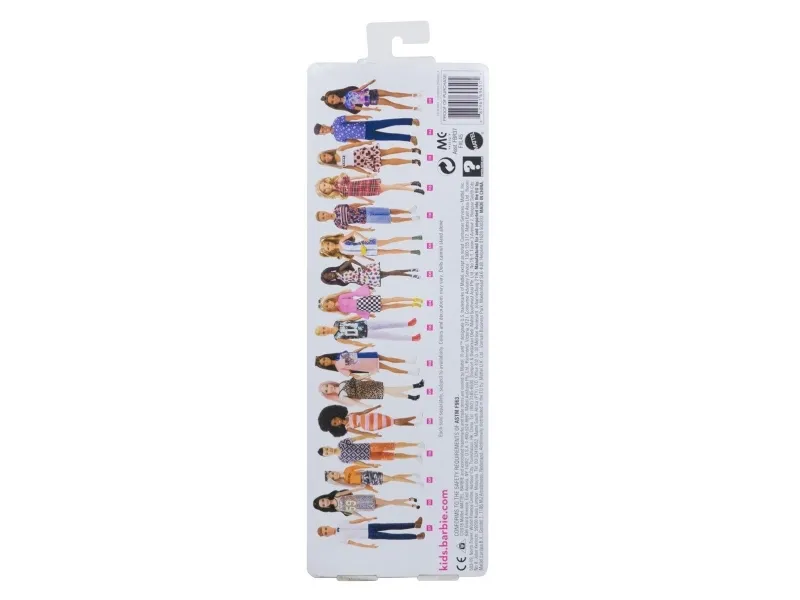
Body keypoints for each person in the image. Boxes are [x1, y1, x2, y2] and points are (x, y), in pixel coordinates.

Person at [317, 404, 416, 440]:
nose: (337, 421)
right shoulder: (348, 428)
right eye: (335, 423)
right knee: (393, 421)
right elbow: (361, 433)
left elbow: (363, 412)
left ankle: (413, 424)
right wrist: (373, 435)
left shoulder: (349, 415)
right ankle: (415, 417)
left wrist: (374, 407)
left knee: (392, 420)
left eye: (335, 419)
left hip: (371, 416)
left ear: (336, 415)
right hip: (370, 425)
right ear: (336, 427)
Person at [319, 285, 422, 318]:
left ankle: (412, 299)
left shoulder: (341, 297)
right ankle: (412, 304)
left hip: (364, 301)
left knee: (390, 300)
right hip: (365, 308)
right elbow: (356, 311)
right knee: (390, 307)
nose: (329, 305)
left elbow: (354, 294)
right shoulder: (341, 311)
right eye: (327, 307)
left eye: (327, 303)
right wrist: (367, 314)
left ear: (329, 300)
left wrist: (367, 291)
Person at [316, 517, 425, 547]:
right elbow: (355, 544)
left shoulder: (340, 522)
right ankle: (416, 536)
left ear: (327, 526)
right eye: (326, 533)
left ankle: (414, 525)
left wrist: (367, 519)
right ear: (327, 536)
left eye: (325, 529)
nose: (327, 531)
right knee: (392, 536)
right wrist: (368, 546)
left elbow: (355, 521)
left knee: (392, 525)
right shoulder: (340, 539)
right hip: (370, 534)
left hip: (370, 526)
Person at [313, 490, 419, 519]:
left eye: (323, 501)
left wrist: (361, 487)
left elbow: (350, 491)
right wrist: (364, 518)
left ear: (324, 497)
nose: (325, 502)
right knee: (389, 503)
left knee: (389, 502)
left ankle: (410, 504)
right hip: (364, 507)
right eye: (323, 505)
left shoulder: (336, 495)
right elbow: (352, 511)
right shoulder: (338, 509)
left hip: (364, 499)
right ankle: (409, 500)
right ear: (325, 508)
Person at [321, 80, 418, 113]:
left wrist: (369, 83)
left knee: (390, 93)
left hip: (370, 92)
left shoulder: (348, 93)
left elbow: (360, 89)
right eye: (332, 101)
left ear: (335, 94)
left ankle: (411, 95)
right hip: (370, 101)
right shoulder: (348, 105)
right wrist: (373, 109)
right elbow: (361, 109)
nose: (334, 99)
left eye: (332, 97)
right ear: (334, 104)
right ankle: (411, 108)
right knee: (390, 104)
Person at [318, 142, 421, 173]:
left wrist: (366, 142)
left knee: (387, 151)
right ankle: (412, 161)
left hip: (364, 153)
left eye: (324, 155)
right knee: (388, 162)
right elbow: (354, 168)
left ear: (326, 152)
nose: (326, 158)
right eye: (325, 160)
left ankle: (412, 150)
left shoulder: (339, 150)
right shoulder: (339, 165)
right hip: (363, 163)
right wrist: (366, 173)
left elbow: (354, 145)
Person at [314, 116, 421, 144]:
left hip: (367, 125)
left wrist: (363, 116)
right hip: (366, 136)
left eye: (323, 128)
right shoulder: (337, 138)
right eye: (322, 132)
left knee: (389, 122)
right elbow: (352, 141)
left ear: (323, 125)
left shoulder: (336, 121)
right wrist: (363, 144)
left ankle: (411, 121)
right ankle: (410, 138)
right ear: (323, 134)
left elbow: (351, 118)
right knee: (389, 137)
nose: (324, 130)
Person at [319, 232, 422, 260]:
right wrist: (366, 258)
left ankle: (412, 238)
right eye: (328, 248)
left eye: (328, 243)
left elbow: (354, 232)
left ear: (330, 241)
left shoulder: (341, 241)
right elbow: (355, 253)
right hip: (368, 252)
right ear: (330, 251)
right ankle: (411, 251)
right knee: (388, 252)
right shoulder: (342, 253)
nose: (329, 246)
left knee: (389, 241)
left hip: (367, 244)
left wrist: (364, 238)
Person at [316, 203, 418, 231]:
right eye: (323, 217)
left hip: (366, 210)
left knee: (388, 211)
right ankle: (410, 219)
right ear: (324, 221)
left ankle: (408, 211)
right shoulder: (338, 224)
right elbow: (353, 227)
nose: (325, 215)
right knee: (389, 219)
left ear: (324, 211)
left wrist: (365, 202)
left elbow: (353, 205)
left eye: (323, 214)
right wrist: (365, 230)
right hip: (367, 219)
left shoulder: (337, 208)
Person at [318, 377, 425, 403]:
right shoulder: (341, 396)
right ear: (328, 394)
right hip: (367, 392)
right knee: (390, 390)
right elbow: (355, 400)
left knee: (390, 391)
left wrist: (366, 378)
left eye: (326, 386)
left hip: (367, 385)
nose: (329, 388)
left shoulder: (341, 383)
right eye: (326, 390)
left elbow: (355, 380)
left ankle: (411, 396)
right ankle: (415, 386)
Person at [314, 318, 422, 344]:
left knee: (387, 323)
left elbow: (351, 318)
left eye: (323, 328)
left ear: (324, 326)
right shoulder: (337, 338)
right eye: (323, 332)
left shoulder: (337, 322)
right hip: (366, 333)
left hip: (365, 323)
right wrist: (365, 345)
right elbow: (352, 342)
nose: (325, 330)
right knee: (388, 335)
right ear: (324, 335)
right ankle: (412, 338)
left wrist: (363, 314)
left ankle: (407, 324)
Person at [320, 260, 419, 288]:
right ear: (330, 280)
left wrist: (362, 266)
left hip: (366, 272)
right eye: (328, 278)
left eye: (328, 274)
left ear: (330, 271)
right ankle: (411, 271)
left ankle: (410, 272)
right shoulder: (340, 282)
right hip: (366, 280)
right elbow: (355, 282)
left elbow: (350, 261)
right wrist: (366, 287)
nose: (330, 275)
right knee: (389, 273)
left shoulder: (340, 269)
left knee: (389, 273)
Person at [315, 349, 418, 376]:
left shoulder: (338, 355)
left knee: (387, 358)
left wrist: (364, 346)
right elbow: (352, 374)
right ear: (326, 366)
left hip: (365, 356)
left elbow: (353, 353)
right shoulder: (339, 368)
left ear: (325, 356)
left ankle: (408, 361)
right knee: (388, 368)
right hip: (366, 364)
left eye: (323, 359)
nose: (325, 361)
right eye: (324, 363)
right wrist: (366, 376)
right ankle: (410, 372)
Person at [316, 174, 424, 198]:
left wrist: (367, 175)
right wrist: (366, 200)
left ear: (326, 181)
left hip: (367, 184)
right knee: (391, 187)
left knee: (391, 187)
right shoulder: (340, 194)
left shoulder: (339, 180)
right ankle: (412, 183)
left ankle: (413, 190)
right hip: (367, 192)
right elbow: (355, 195)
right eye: (324, 189)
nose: (326, 187)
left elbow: (353, 178)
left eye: (324, 185)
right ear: (326, 193)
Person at [318, 438, 424, 462]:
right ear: (327, 456)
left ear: (327, 446)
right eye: (327, 453)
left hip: (370, 447)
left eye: (327, 449)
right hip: (370, 457)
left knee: (393, 446)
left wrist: (369, 435)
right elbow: (356, 462)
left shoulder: (341, 443)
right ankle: (415, 456)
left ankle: (416, 444)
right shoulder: (342, 459)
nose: (328, 451)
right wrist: (369, 466)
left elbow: (356, 439)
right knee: (393, 456)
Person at [324, 466, 420, 489]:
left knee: (392, 478)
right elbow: (360, 485)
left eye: (332, 473)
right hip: (368, 481)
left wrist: (371, 465)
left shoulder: (346, 470)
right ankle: (412, 475)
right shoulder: (346, 482)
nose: (334, 475)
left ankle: (414, 482)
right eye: (333, 477)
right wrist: (371, 489)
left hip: (368, 475)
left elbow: (359, 467)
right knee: (392, 478)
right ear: (335, 480)